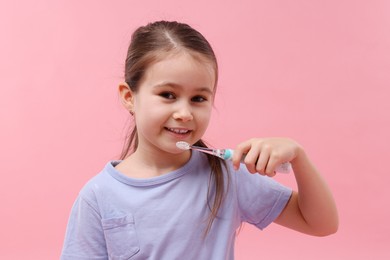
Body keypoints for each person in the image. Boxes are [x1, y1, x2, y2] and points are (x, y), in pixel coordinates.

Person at [60, 21, 338, 260]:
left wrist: (299, 157)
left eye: (199, 99)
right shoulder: (98, 197)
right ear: (129, 96)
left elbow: (321, 223)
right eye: (168, 94)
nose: (184, 113)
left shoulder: (227, 176)